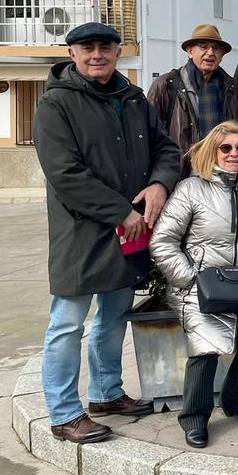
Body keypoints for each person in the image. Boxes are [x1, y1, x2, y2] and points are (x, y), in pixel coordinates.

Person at [32, 22, 181, 444]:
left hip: (131, 233)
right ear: (73, 54)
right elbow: (65, 174)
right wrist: (120, 213)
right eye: (88, 48)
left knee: (114, 316)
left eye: (106, 47)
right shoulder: (55, 104)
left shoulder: (133, 99)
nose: (97, 54)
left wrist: (159, 184)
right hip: (82, 235)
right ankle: (63, 414)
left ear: (118, 53)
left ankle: (106, 394)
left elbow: (166, 148)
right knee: (67, 323)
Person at [149, 122, 238, 449]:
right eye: (226, 148)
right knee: (207, 345)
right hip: (201, 288)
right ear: (213, 150)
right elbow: (163, 242)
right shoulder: (191, 190)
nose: (233, 154)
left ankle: (236, 398)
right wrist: (191, 279)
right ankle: (195, 417)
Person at [147, 23, 238, 177]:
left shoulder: (234, 89)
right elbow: (150, 137)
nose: (210, 53)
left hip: (223, 175)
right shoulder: (165, 86)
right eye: (203, 47)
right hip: (179, 175)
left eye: (216, 48)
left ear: (222, 56)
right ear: (190, 51)